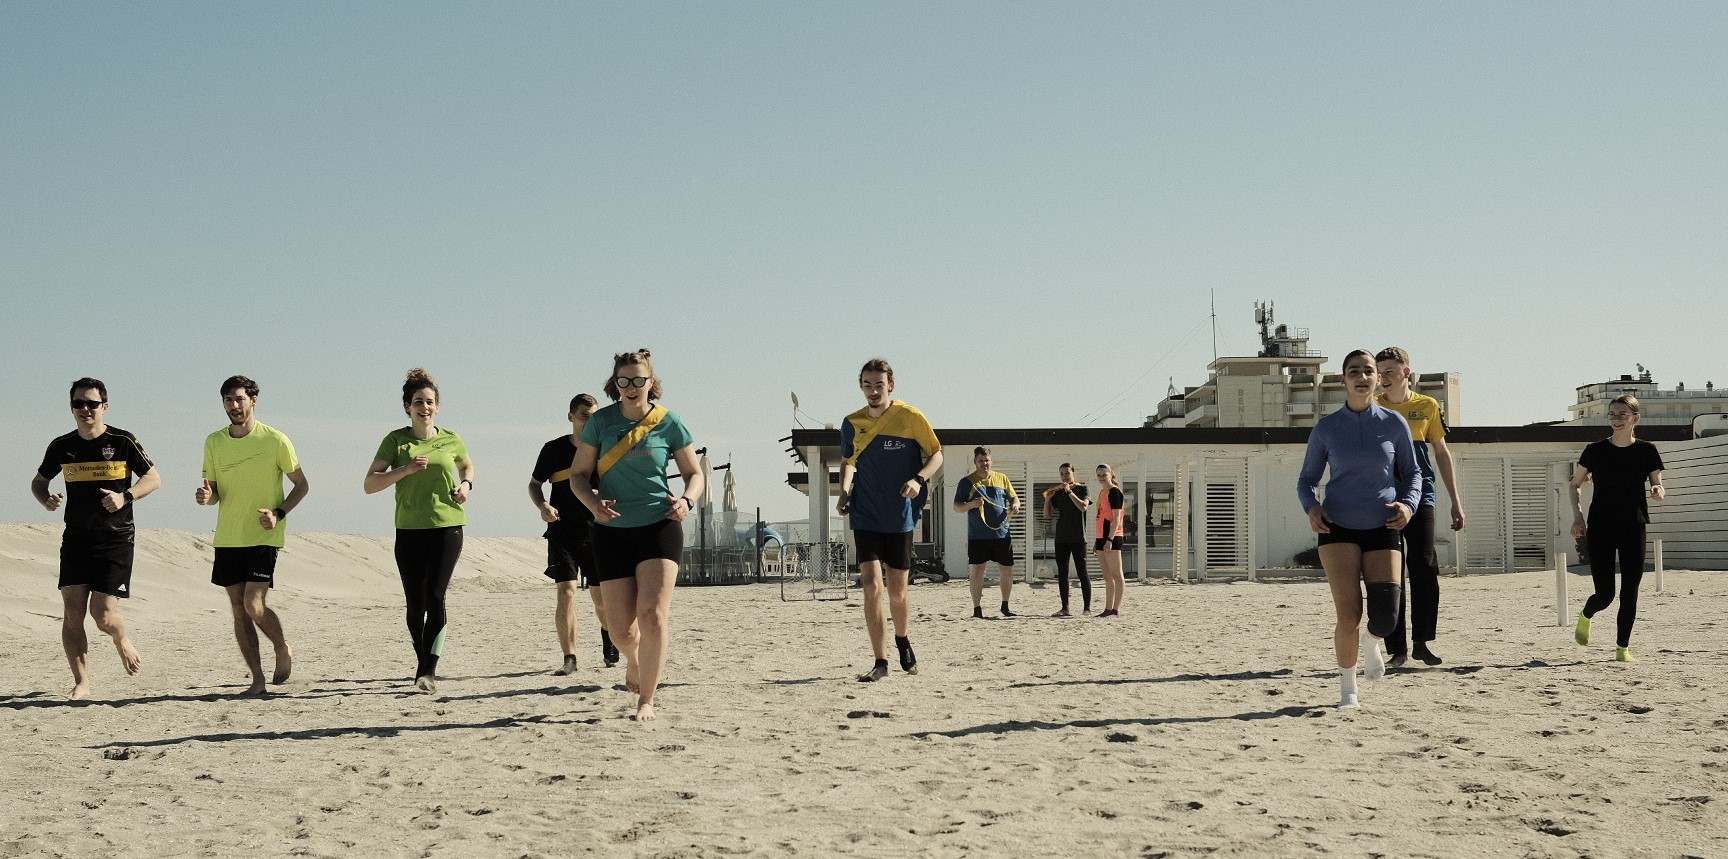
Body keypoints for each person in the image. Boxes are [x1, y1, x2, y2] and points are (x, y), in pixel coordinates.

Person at [567, 349, 703, 722]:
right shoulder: (601, 423)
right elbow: (578, 475)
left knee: (653, 615)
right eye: (624, 380)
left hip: (660, 526)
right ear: (615, 384)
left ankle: (647, 700)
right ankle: (634, 658)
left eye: (638, 380)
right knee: (621, 633)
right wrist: (593, 504)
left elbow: (695, 474)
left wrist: (687, 501)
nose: (631, 387)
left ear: (650, 382)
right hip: (612, 531)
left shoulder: (669, 422)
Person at [1298, 350, 1422, 709]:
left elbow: (1413, 473)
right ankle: (1348, 688)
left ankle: (1371, 641)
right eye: (1354, 372)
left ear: (1378, 378)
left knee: (1386, 617)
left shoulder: (1394, 423)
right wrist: (1312, 507)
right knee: (1349, 614)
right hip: (1337, 527)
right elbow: (1306, 481)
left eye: (1368, 371)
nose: (1362, 377)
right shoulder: (1327, 429)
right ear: (1343, 380)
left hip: (1385, 524)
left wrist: (1408, 505)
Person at [31, 377, 161, 700]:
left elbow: (153, 478)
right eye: (79, 404)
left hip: (115, 539)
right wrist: (46, 499)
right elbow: (39, 481)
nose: (86, 409)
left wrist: (125, 496)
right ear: (71, 408)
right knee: (72, 613)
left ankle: (121, 638)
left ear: (105, 406)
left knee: (102, 614)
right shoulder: (61, 446)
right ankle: (82, 682)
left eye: (92, 404)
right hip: (76, 539)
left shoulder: (122, 441)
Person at [195, 375, 311, 696]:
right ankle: (257, 680)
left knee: (253, 605)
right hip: (228, 537)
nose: (234, 405)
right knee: (239, 610)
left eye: (239, 399)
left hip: (264, 534)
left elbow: (302, 485)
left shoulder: (275, 440)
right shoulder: (214, 442)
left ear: (253, 401)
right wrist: (207, 497)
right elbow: (214, 492)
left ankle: (281, 646)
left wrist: (279, 513)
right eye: (228, 400)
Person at [364, 368, 475, 694]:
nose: (424, 407)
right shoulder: (396, 440)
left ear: (437, 406)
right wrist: (406, 469)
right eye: (417, 402)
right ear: (407, 407)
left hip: (447, 527)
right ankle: (422, 662)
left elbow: (467, 465)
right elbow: (370, 484)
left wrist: (466, 485)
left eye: (429, 402)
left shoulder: (451, 438)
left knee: (435, 596)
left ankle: (429, 671)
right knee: (415, 605)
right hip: (409, 530)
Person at [838, 358, 943, 682]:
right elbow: (848, 462)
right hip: (865, 514)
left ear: (891, 386)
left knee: (897, 591)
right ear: (861, 387)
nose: (873, 391)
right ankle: (880, 661)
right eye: (867, 385)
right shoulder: (851, 423)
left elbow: (937, 454)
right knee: (871, 586)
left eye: (879, 385)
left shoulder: (910, 417)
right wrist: (844, 491)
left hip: (899, 515)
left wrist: (919, 479)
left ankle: (902, 638)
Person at [1374, 347, 1466, 668]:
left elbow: (1441, 453)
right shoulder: (1373, 407)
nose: (1383, 378)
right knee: (1391, 571)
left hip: (1421, 496)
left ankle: (1421, 643)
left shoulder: (1427, 405)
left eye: (1389, 371)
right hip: (1385, 498)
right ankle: (1396, 649)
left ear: (1406, 373)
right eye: (1379, 372)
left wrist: (1456, 502)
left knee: (1424, 565)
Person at [1568, 395, 1665, 663]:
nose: (1616, 419)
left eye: (1622, 414)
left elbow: (1657, 482)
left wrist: (1658, 490)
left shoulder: (1647, 450)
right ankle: (1586, 614)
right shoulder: (1595, 450)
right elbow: (1574, 484)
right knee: (1605, 595)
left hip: (1634, 526)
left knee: (1629, 592)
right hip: (1601, 527)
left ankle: (1622, 649)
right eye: (1612, 414)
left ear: (1635, 418)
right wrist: (1577, 517)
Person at [529, 393, 617, 676]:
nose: (589, 422)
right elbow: (534, 484)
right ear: (571, 417)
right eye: (583, 416)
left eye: (594, 417)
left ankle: (608, 635)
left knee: (600, 598)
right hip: (561, 531)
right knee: (566, 593)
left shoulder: (606, 450)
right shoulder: (553, 449)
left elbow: (619, 487)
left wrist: (601, 495)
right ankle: (570, 657)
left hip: (597, 532)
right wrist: (543, 505)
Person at [955, 446, 1021, 618]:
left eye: (986, 460)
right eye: (980, 461)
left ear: (992, 461)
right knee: (977, 572)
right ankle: (977, 609)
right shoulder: (967, 482)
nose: (984, 464)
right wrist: (971, 504)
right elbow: (957, 506)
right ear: (975, 462)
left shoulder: (1002, 478)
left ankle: (1005, 606)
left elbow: (1014, 497)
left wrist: (1015, 505)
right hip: (978, 536)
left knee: (1007, 571)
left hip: (1002, 535)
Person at [1042, 463, 1092, 617]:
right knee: (1062, 573)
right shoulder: (1058, 493)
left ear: (1073, 473)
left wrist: (1069, 491)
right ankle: (1065, 608)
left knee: (1082, 572)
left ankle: (1087, 608)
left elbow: (1083, 507)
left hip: (1078, 536)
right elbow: (1047, 515)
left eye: (1067, 473)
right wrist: (1047, 499)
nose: (1064, 476)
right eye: (1062, 474)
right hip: (1062, 537)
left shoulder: (1082, 489)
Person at [1092, 465, 1127, 618]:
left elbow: (1117, 517)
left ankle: (1115, 609)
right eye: (1099, 475)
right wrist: (1098, 540)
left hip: (1112, 537)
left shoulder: (1114, 492)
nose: (1101, 477)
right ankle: (1108, 608)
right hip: (1101, 537)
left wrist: (1109, 539)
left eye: (1104, 475)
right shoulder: (1102, 492)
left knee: (1116, 574)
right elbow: (1101, 516)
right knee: (1107, 576)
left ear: (1110, 474)